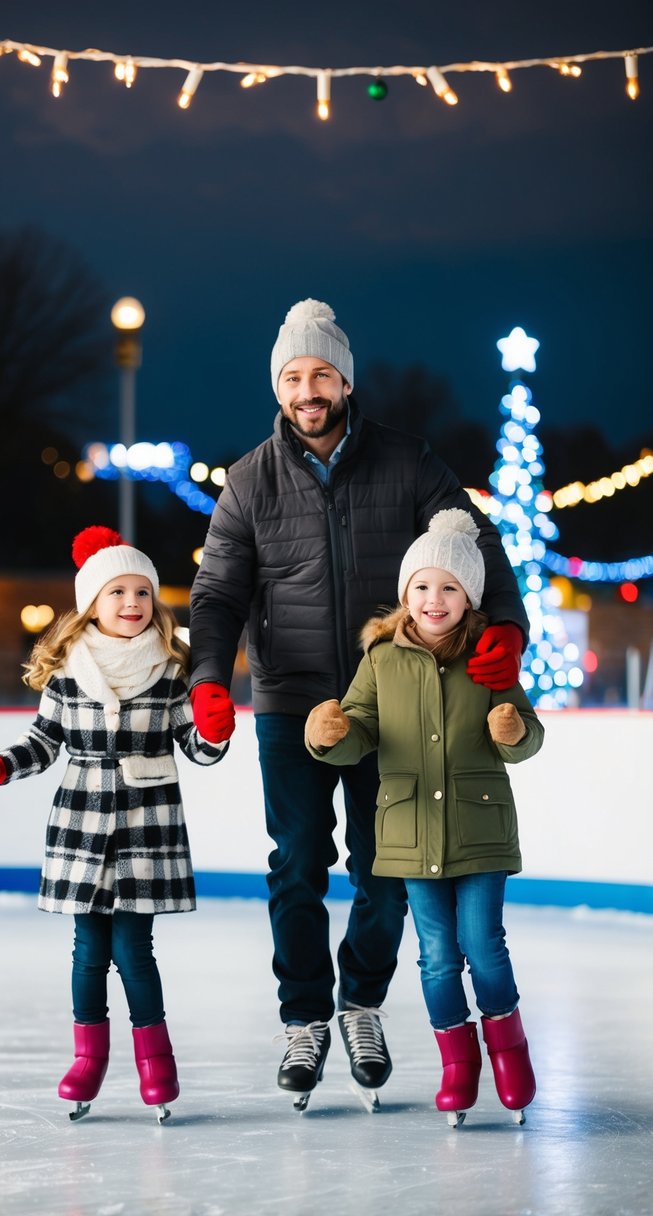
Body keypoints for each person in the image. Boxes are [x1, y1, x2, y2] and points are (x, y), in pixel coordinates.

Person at [188, 298, 529, 1112]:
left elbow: (479, 546)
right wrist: (208, 678)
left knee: (387, 865)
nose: (308, 389)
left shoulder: (408, 463)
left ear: (345, 378)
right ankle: (303, 1017)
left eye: (321, 373)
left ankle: (359, 1005)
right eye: (293, 376)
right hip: (291, 700)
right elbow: (216, 592)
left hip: (400, 695)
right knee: (296, 862)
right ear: (279, 385)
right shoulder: (246, 481)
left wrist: (507, 629)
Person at [0, 525, 228, 1123]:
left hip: (146, 829)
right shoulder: (68, 673)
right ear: (91, 604)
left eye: (141, 593)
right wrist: (1, 764)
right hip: (81, 825)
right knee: (87, 953)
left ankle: (156, 1063)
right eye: (118, 592)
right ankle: (89, 1059)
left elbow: (198, 749)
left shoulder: (170, 673)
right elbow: (43, 742)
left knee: (135, 951)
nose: (132, 603)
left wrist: (215, 728)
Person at [305, 509, 543, 1126]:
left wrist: (513, 730)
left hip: (480, 828)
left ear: (469, 597)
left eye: (449, 588)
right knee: (437, 955)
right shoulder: (382, 659)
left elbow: (527, 734)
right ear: (405, 594)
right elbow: (359, 729)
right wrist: (332, 736)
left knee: (483, 947)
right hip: (410, 833)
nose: (434, 600)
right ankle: (458, 1065)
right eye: (422, 587)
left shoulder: (490, 658)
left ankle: (509, 1052)